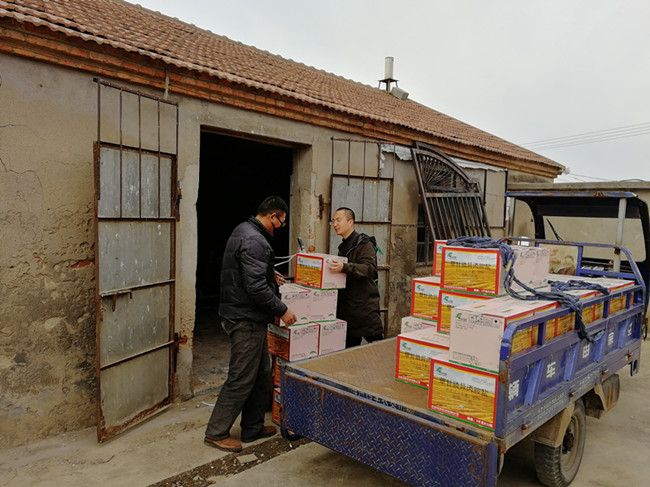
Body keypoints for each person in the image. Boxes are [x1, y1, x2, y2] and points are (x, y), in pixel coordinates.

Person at [204, 196, 297, 453]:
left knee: (261, 375)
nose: (280, 228)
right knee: (242, 377)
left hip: (247, 315)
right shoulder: (255, 240)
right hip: (245, 318)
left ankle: (253, 427)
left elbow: (247, 271)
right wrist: (283, 310)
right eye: (281, 223)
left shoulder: (243, 230)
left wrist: (269, 274)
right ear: (273, 216)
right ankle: (216, 432)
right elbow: (255, 288)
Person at [328, 207, 384, 348]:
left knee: (378, 347)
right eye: (333, 221)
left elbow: (369, 269)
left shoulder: (364, 244)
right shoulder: (343, 245)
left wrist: (345, 267)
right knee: (349, 352)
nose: (335, 224)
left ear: (350, 221)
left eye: (339, 220)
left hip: (364, 308)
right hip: (348, 309)